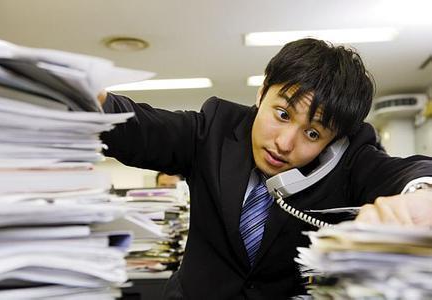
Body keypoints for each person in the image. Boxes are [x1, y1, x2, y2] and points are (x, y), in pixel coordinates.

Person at [99, 38, 432, 299]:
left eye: (313, 133)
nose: (285, 143)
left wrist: (422, 195)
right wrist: (87, 101)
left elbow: (404, 171)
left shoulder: (349, 159)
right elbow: (140, 128)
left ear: (334, 141)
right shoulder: (214, 128)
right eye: (283, 114)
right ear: (262, 93)